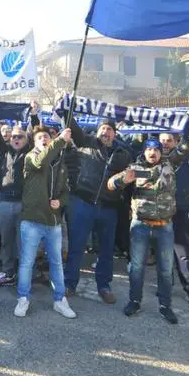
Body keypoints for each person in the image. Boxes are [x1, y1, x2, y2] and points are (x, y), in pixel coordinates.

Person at [109, 137, 189, 324]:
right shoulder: (137, 169)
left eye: (156, 149)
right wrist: (122, 180)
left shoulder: (170, 165)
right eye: (149, 149)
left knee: (165, 269)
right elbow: (111, 184)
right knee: (136, 268)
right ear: (144, 151)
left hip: (165, 226)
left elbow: (184, 148)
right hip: (140, 226)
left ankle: (165, 306)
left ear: (161, 152)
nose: (153, 153)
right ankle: (134, 301)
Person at [62, 117, 131, 304]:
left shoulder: (123, 153)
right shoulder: (87, 142)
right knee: (77, 247)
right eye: (103, 129)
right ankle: (69, 284)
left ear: (114, 133)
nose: (105, 132)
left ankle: (104, 286)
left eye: (109, 129)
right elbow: (72, 127)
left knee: (106, 250)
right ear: (98, 131)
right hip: (84, 204)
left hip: (109, 208)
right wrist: (64, 107)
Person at [13, 125, 75, 319]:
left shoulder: (60, 164)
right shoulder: (31, 158)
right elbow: (42, 161)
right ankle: (23, 298)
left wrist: (60, 201)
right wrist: (60, 141)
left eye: (47, 137)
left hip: (53, 222)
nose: (44, 139)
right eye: (39, 138)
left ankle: (60, 300)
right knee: (27, 262)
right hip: (31, 221)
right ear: (34, 142)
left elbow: (66, 191)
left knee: (56, 263)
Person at [0, 103, 40, 287]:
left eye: (20, 136)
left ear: (26, 139)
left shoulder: (31, 152)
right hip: (5, 200)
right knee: (6, 239)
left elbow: (36, 133)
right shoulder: (6, 151)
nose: (16, 138)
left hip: (23, 202)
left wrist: (33, 115)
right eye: (13, 136)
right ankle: (8, 271)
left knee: (23, 242)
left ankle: (25, 274)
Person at [159, 131, 189, 309]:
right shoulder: (152, 158)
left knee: (183, 254)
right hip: (159, 212)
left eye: (169, 140)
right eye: (162, 140)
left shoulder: (186, 159)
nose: (165, 143)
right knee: (161, 252)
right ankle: (164, 286)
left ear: (176, 142)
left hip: (180, 211)